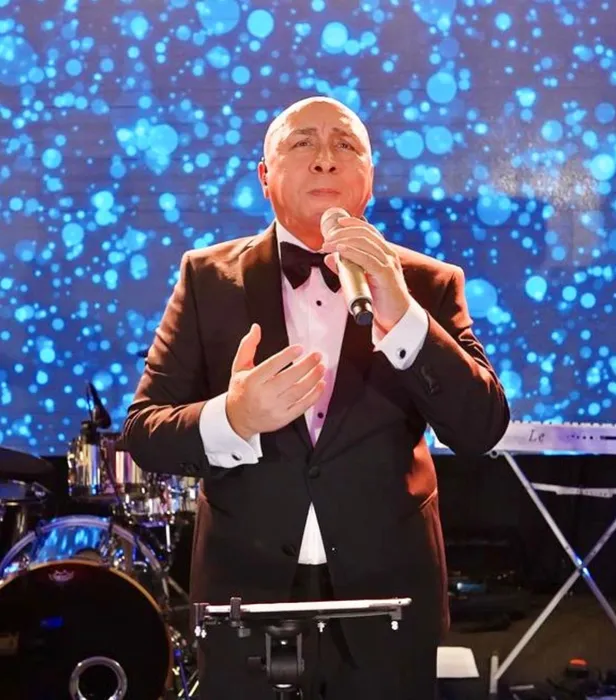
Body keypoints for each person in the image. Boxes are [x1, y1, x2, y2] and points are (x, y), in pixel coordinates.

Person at [123, 96, 510, 700]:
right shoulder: (206, 278)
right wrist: (234, 418)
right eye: (303, 143)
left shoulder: (429, 282)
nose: (326, 159)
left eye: (345, 145)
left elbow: (480, 428)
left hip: (388, 596)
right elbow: (145, 432)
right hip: (246, 594)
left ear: (370, 179)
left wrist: (404, 317)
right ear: (265, 175)